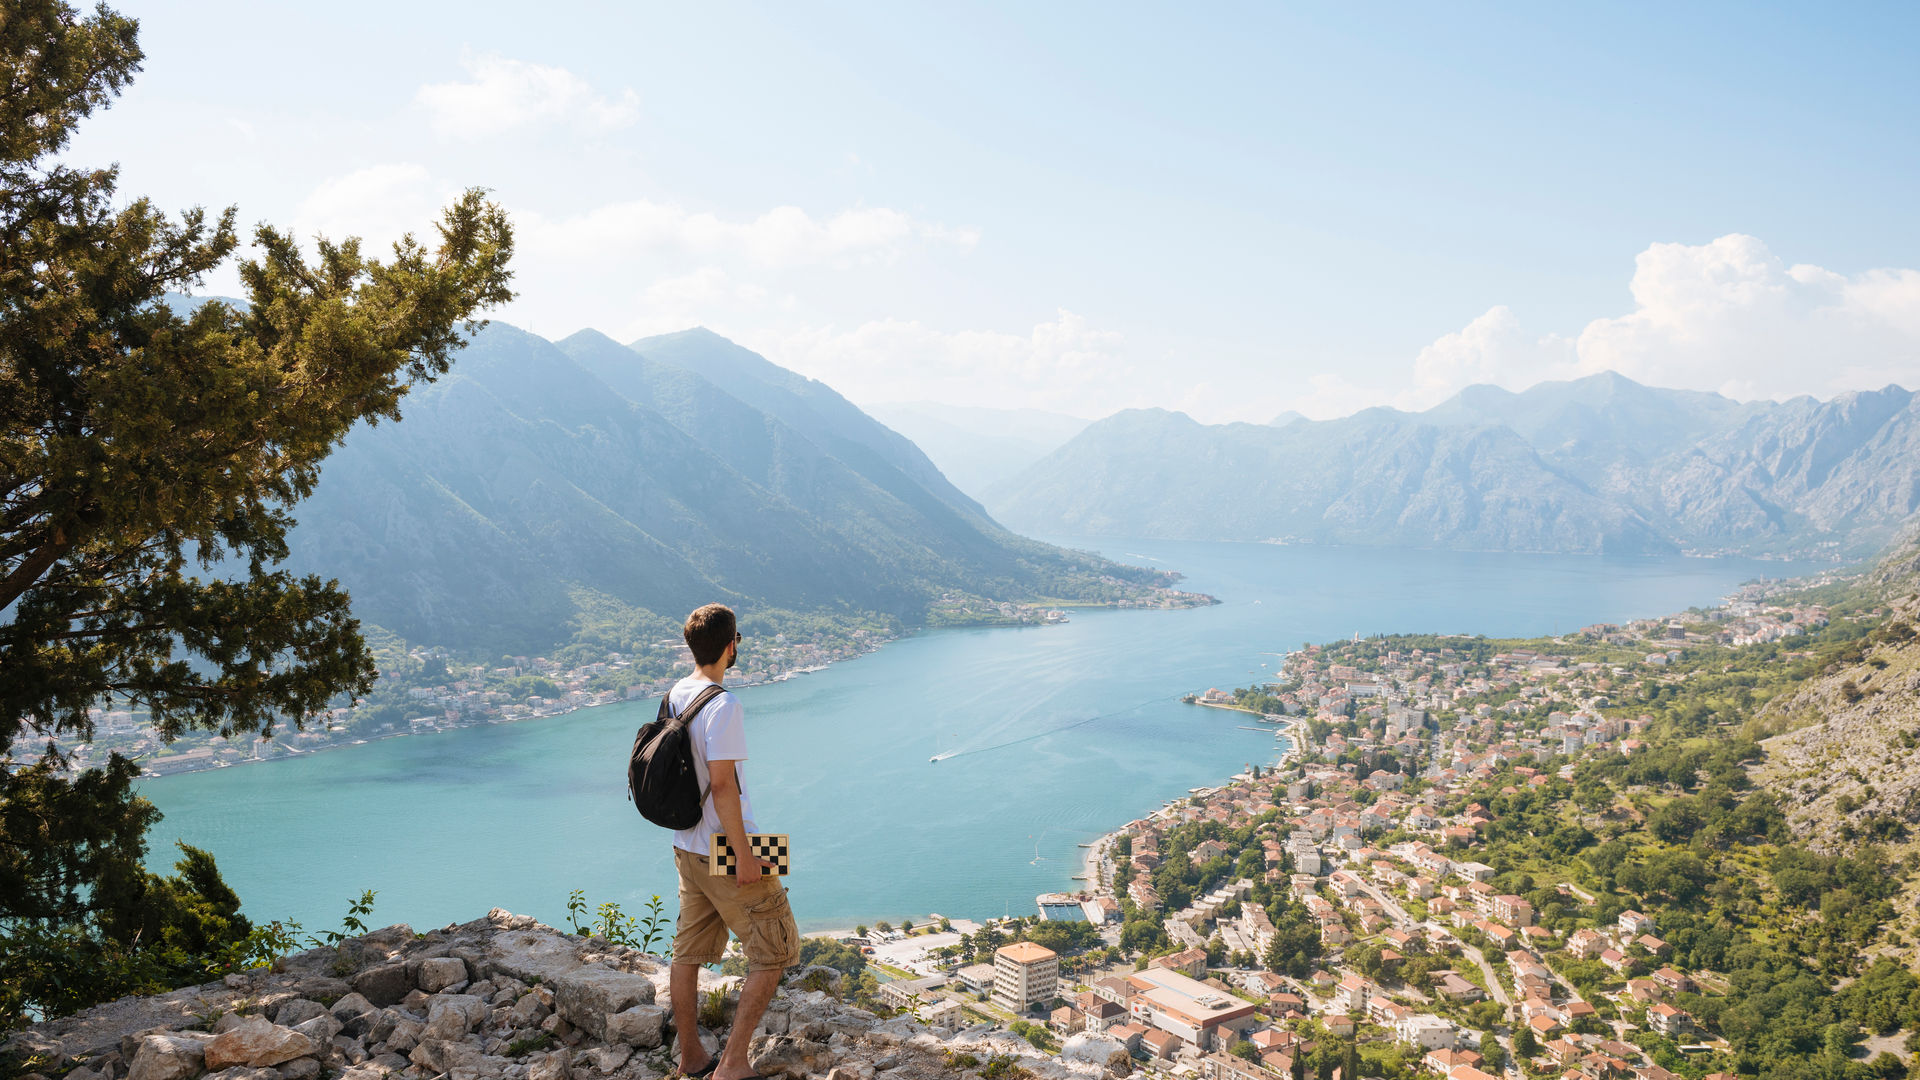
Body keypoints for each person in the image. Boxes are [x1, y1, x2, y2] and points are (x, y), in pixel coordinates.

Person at [668, 603, 799, 1080]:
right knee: (778, 950)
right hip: (725, 849)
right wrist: (745, 856)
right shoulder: (724, 705)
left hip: (686, 844)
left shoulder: (675, 694)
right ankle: (733, 1063)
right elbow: (723, 787)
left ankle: (690, 1057)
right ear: (731, 646)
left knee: (687, 952)